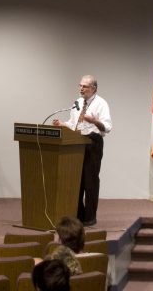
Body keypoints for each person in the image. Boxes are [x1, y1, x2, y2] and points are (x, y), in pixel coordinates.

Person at [53, 74, 112, 226]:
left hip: (92, 143)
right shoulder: (78, 102)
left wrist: (94, 121)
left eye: (84, 86)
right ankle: (78, 214)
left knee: (90, 181)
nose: (81, 89)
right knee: (77, 181)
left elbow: (107, 127)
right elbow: (74, 125)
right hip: (77, 143)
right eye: (80, 85)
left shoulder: (101, 103)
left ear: (93, 88)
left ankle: (90, 217)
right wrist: (62, 124)